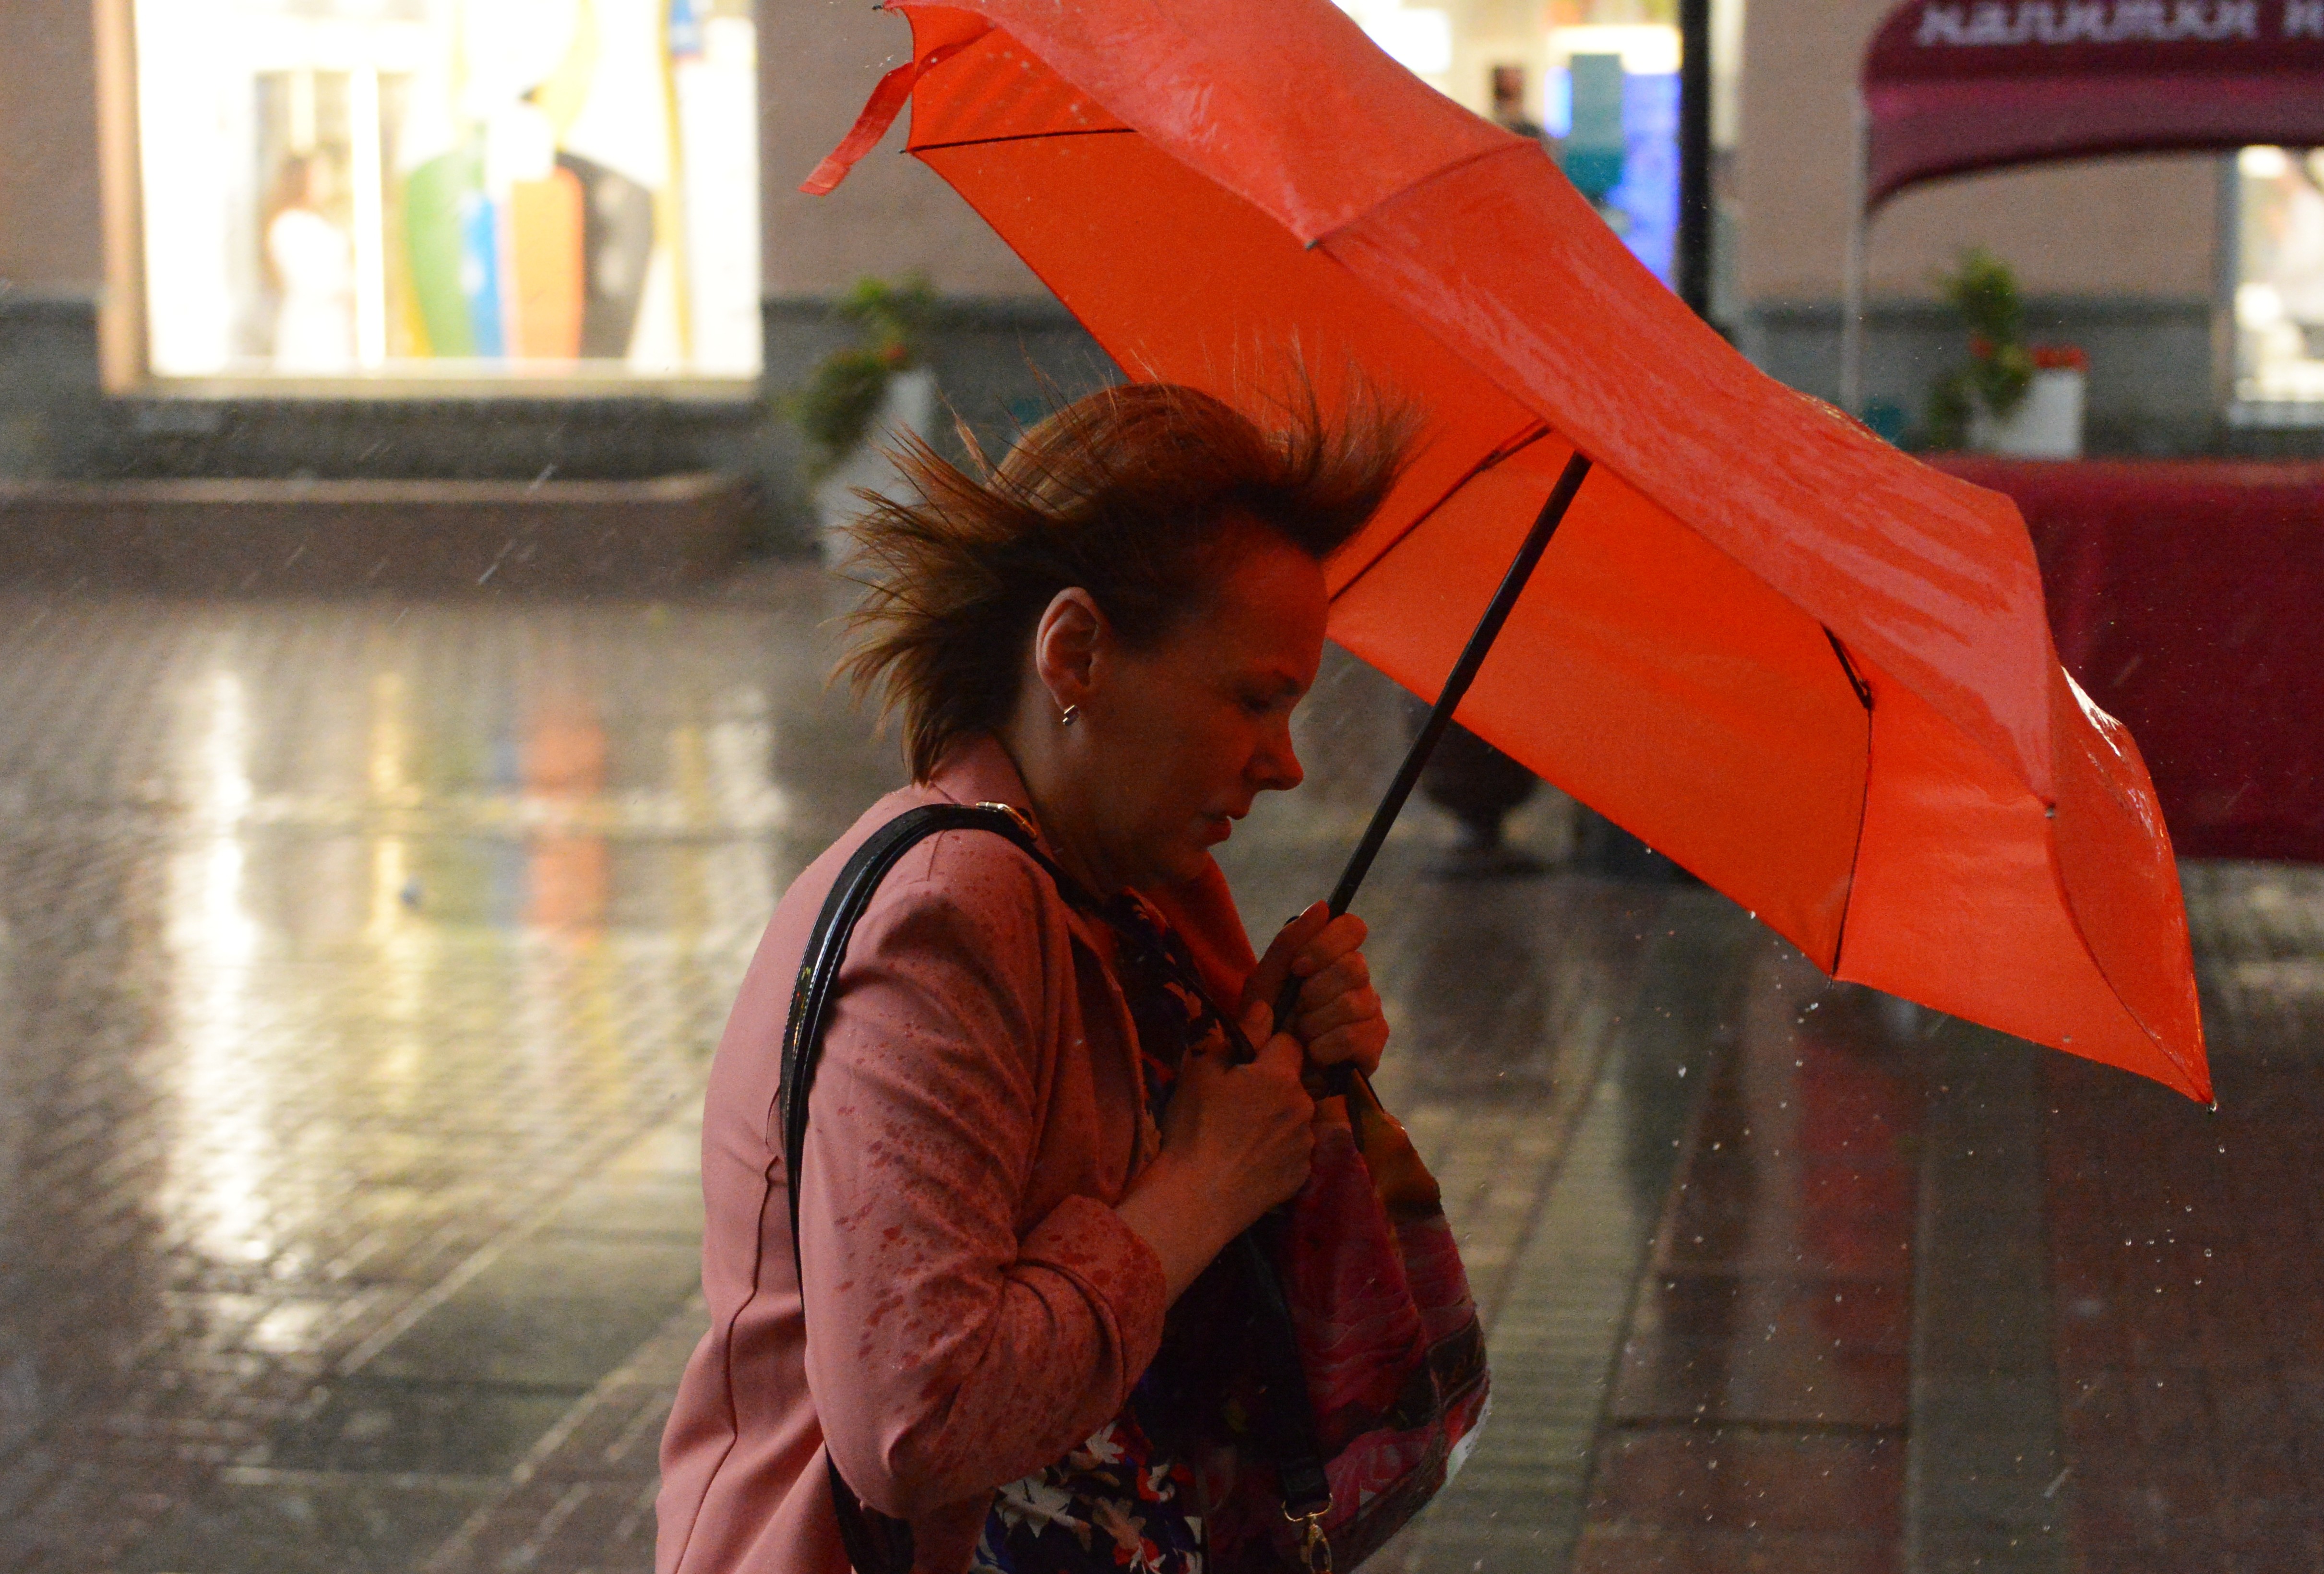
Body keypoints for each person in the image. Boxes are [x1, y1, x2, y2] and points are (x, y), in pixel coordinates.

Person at [656, 384, 1410, 1574]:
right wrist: (1205, 1185)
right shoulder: (952, 910)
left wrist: (1272, 1066)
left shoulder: (1123, 899)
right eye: (1254, 699)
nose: (1286, 763)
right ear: (1076, 653)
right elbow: (917, 1418)